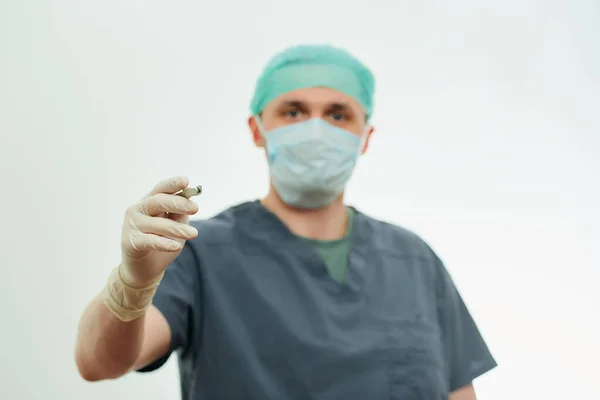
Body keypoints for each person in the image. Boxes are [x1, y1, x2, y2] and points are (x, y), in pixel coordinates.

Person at [75, 44, 497, 400]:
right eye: (293, 112)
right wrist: (132, 284)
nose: (316, 130)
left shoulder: (412, 260)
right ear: (257, 129)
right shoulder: (199, 252)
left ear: (365, 136)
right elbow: (98, 363)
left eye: (337, 115)